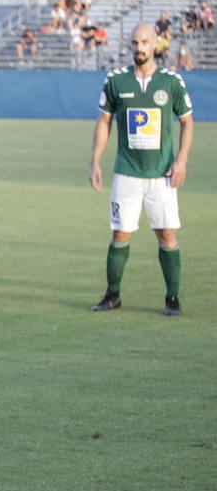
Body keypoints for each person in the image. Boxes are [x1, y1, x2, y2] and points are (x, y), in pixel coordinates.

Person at [88, 24, 194, 316]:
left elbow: (187, 121)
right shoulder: (116, 81)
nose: (139, 48)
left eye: (145, 42)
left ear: (155, 44)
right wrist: (95, 161)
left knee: (166, 235)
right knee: (120, 234)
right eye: (135, 42)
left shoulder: (171, 82)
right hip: (127, 173)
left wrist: (181, 159)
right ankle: (113, 295)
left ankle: (172, 298)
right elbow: (104, 121)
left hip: (162, 175)